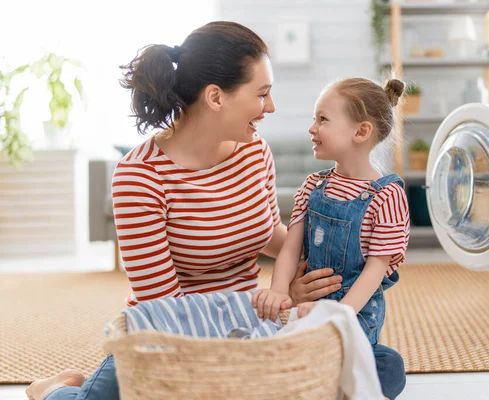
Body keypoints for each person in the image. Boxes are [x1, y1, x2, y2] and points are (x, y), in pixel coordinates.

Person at [25, 21, 341, 400]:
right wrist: (279, 295)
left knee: (374, 372)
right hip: (167, 337)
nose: (270, 107)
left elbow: (270, 234)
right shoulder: (140, 176)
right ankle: (53, 389)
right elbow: (166, 307)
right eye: (262, 94)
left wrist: (313, 262)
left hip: (245, 331)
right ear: (215, 97)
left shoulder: (256, 153)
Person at [252, 77, 410, 399]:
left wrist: (337, 316)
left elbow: (375, 271)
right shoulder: (313, 185)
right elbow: (290, 248)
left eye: (322, 119)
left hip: (350, 328)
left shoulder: (387, 196)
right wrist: (278, 292)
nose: (312, 128)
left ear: (361, 132)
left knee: (389, 366)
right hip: (302, 320)